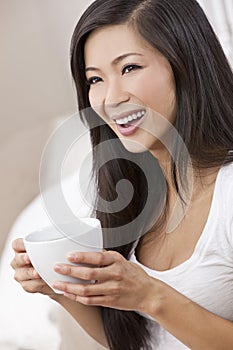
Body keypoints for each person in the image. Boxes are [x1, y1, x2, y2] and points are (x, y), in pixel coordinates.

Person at [11, 0, 233, 349]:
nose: (110, 98)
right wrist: (60, 288)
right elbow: (142, 342)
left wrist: (151, 296)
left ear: (185, 64)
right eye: (95, 79)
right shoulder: (132, 194)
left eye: (129, 68)